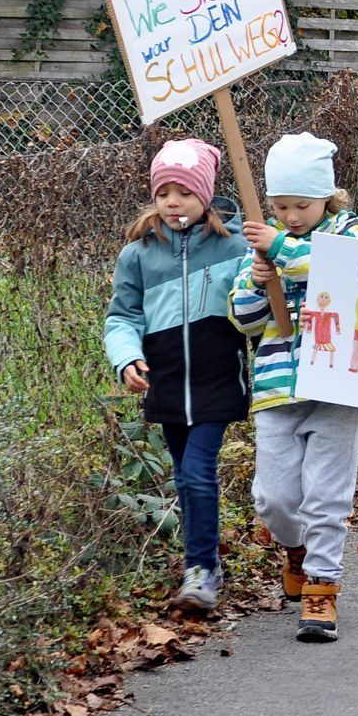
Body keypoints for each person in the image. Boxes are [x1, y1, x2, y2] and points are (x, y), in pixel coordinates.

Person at [228, 133, 358, 644]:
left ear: (327, 197)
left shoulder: (350, 233)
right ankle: (294, 549)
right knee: (273, 499)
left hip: (337, 388)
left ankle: (321, 588)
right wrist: (256, 278)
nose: (291, 216)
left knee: (326, 498)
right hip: (276, 390)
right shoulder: (263, 242)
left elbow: (349, 273)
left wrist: (283, 251)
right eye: (281, 206)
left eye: (302, 206)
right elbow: (244, 321)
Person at [105, 139, 252, 613]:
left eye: (184, 192)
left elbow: (256, 300)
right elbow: (122, 317)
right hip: (165, 382)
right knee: (182, 476)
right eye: (164, 192)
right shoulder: (139, 254)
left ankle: (201, 568)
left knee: (196, 471)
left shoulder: (235, 245)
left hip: (217, 379)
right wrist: (127, 358)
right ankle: (204, 559)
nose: (172, 202)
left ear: (205, 195)